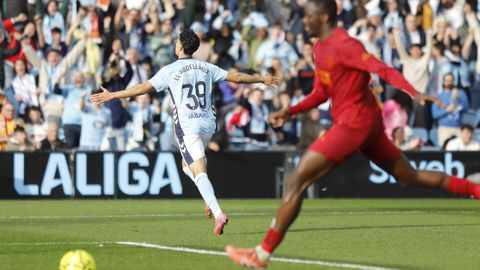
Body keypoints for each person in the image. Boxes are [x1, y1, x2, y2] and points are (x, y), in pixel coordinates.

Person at [225, 0, 480, 268]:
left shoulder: (346, 45)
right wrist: (290, 111)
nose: (304, 21)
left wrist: (414, 92)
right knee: (409, 176)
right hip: (366, 125)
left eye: (309, 16)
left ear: (323, 17)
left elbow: (383, 69)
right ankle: (476, 189)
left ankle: (261, 254)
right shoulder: (320, 47)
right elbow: (322, 93)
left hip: (354, 125)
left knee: (295, 180)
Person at [90, 29, 278, 235]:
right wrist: (261, 79)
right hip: (208, 124)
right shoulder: (206, 67)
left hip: (188, 127)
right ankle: (208, 197)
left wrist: (113, 95)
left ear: (180, 46)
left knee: (198, 172)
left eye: (176, 41)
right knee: (186, 166)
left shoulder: (170, 70)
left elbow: (142, 88)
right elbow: (237, 77)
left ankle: (218, 213)